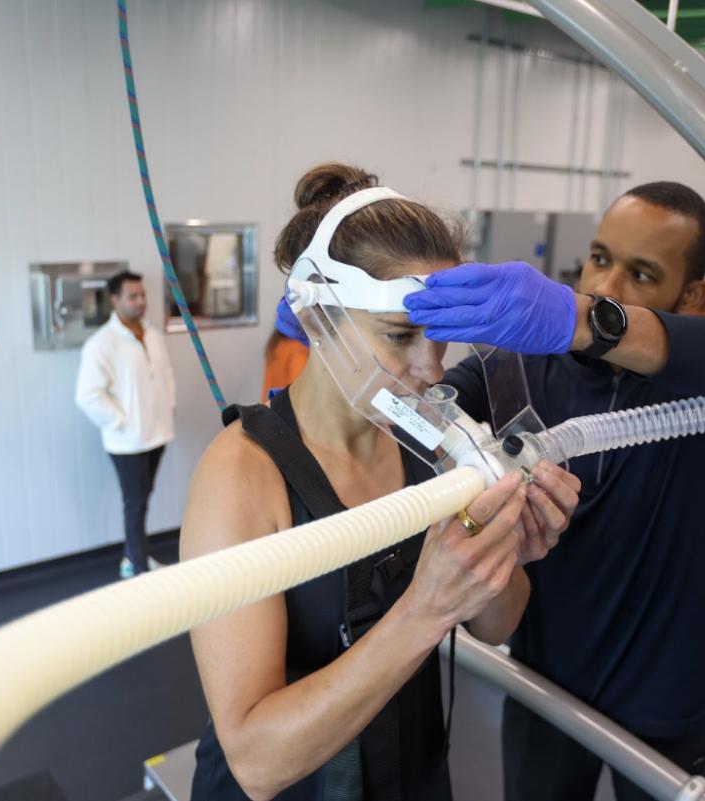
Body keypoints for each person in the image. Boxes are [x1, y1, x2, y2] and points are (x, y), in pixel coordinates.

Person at [181, 163, 580, 801]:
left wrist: (507, 547)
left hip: (411, 775)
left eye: (443, 337)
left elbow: (497, 624)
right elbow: (255, 762)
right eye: (399, 335)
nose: (431, 369)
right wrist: (426, 609)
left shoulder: (433, 440)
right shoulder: (241, 475)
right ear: (320, 317)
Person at [402, 182, 705, 801]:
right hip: (546, 685)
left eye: (641, 273)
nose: (606, 286)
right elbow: (418, 412)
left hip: (668, 700)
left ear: (691, 295)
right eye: (601, 258)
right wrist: (344, 343)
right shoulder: (523, 366)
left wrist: (584, 322)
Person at [76, 270, 176, 579]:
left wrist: (169, 406)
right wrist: (121, 421)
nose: (140, 302)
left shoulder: (153, 334)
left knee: (142, 500)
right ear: (115, 300)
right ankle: (139, 569)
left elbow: (166, 376)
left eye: (142, 295)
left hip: (157, 433)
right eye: (132, 297)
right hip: (127, 441)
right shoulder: (101, 344)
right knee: (134, 505)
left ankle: (132, 557)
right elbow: (87, 395)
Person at [261, 328, 309, 401]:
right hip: (284, 409)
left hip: (268, 409)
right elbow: (298, 394)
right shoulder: (299, 349)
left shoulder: (277, 343)